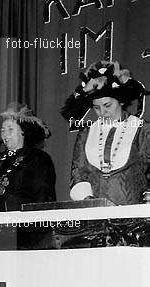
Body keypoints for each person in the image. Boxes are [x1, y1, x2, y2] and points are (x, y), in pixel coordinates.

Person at [61, 61, 149, 205]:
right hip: (95, 216)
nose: (102, 112)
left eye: (107, 105)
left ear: (120, 101)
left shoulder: (142, 130)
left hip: (134, 217)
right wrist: (91, 202)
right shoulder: (86, 133)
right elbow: (78, 175)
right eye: (96, 108)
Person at [0, 104, 56, 213]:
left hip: (22, 222)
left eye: (10, 129)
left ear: (23, 131)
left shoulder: (38, 158)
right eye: (3, 130)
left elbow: (44, 194)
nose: (5, 134)